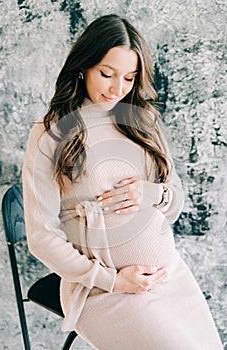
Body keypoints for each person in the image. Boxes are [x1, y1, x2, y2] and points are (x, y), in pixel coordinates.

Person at [22, 14, 223, 350]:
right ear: (84, 65)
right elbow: (41, 237)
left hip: (170, 278)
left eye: (129, 78)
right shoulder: (50, 134)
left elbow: (173, 202)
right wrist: (112, 280)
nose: (117, 89)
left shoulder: (142, 122)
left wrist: (150, 193)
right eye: (107, 74)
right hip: (103, 291)